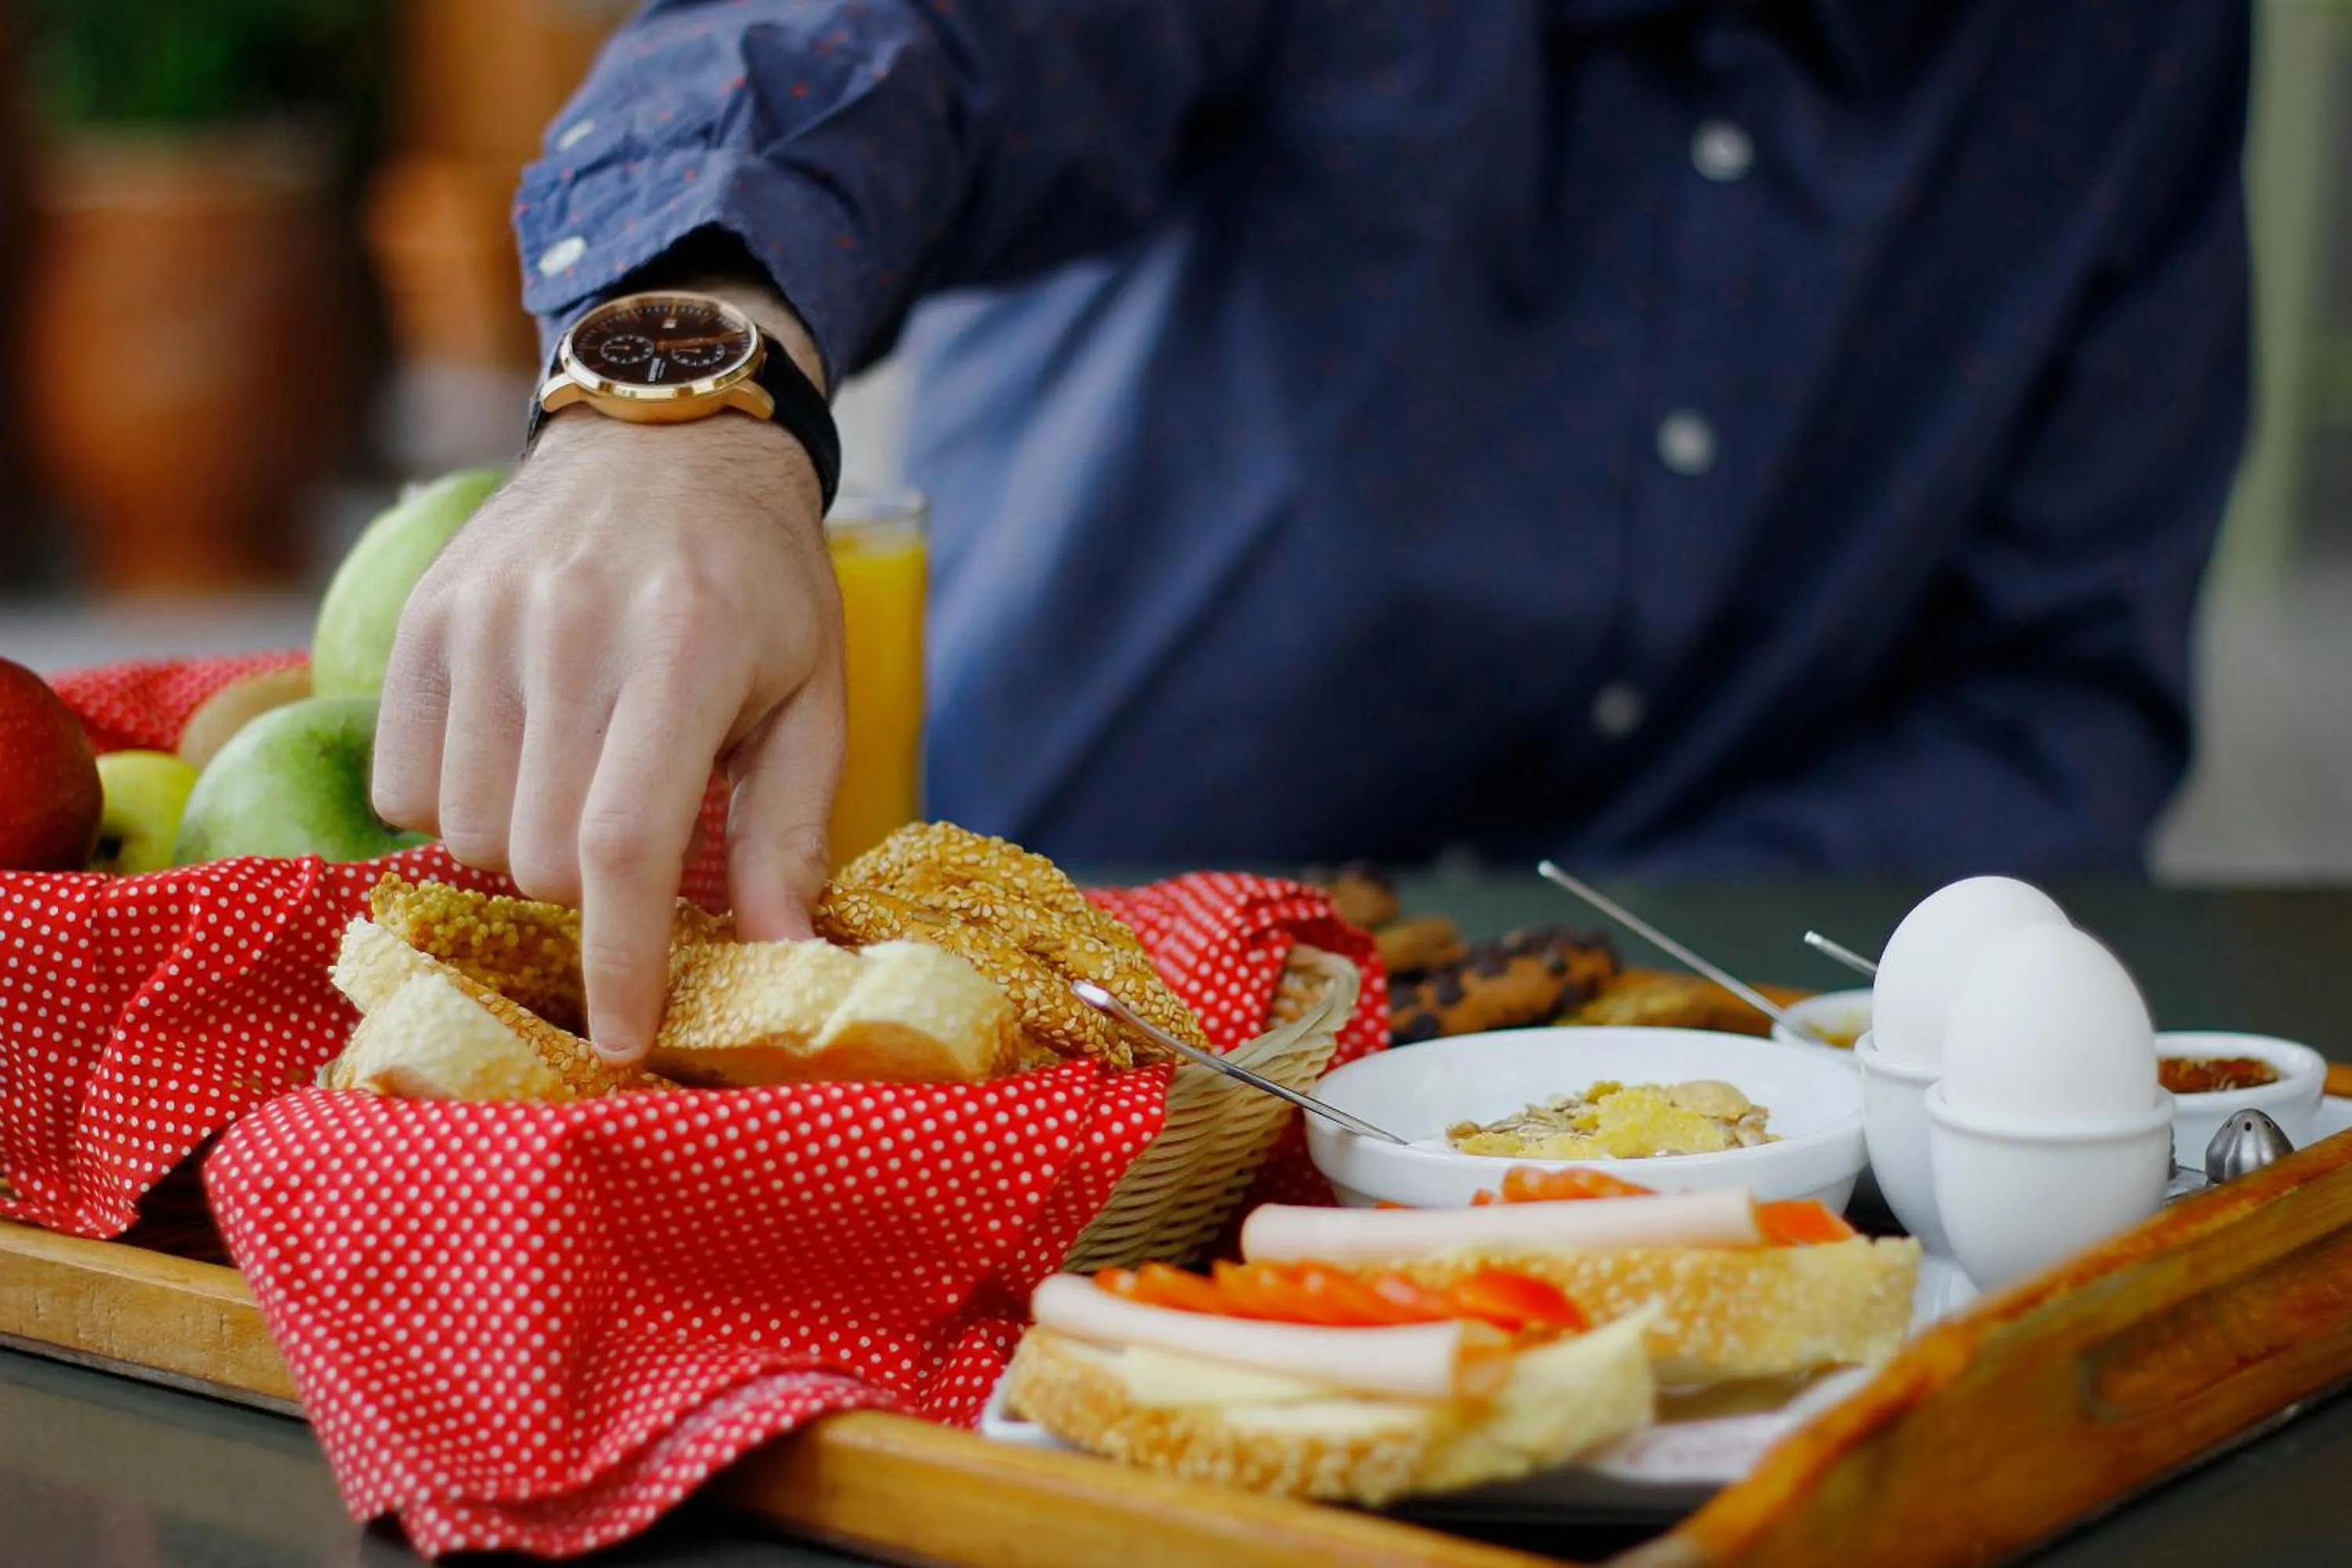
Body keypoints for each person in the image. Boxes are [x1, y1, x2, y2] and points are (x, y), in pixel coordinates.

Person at [370, 0, 2252, 1064]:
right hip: (1047, 999)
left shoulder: (2130, 52)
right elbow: (875, 33)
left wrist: (1585, 1028)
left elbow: (2056, 700)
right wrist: (687, 396)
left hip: (1716, 1077)